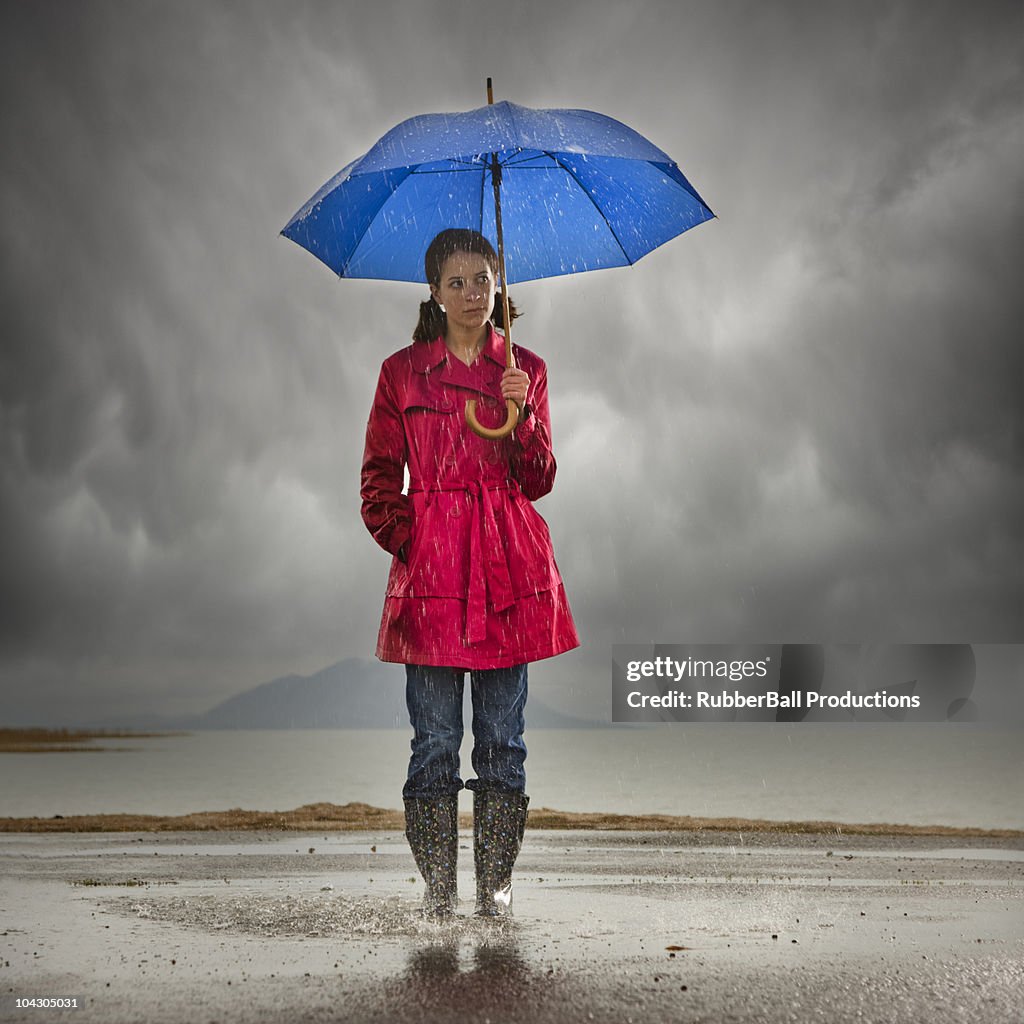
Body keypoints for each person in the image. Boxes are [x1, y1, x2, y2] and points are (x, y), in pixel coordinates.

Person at [360, 228, 579, 918]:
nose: (470, 294)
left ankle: (494, 889)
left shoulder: (525, 369)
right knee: (432, 744)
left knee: (502, 743)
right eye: (455, 282)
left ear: (499, 284)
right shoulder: (402, 372)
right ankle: (437, 889)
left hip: (507, 572)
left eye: (481, 280)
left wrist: (526, 414)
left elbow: (538, 480)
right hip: (430, 579)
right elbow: (376, 483)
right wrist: (416, 541)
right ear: (432, 291)